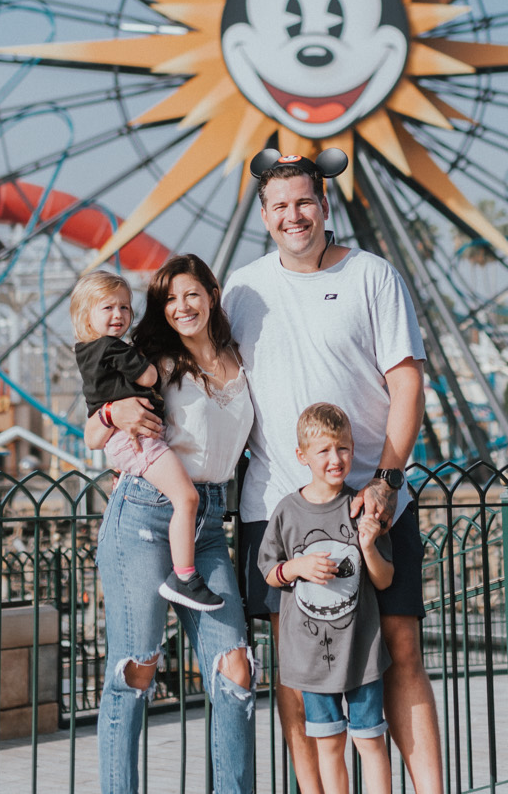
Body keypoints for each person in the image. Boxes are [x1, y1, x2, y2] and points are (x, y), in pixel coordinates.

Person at [223, 154, 444, 794]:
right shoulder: (242, 289)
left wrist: (387, 479)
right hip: (279, 504)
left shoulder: (373, 275)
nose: (293, 216)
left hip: (372, 502)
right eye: (279, 206)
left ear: (324, 204)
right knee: (296, 670)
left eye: (304, 202)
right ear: (264, 216)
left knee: (401, 651)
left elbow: (407, 384)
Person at [86, 254, 256, 794]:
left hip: (207, 522)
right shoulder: (152, 358)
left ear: (212, 294)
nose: (182, 307)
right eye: (170, 300)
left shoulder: (240, 356)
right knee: (138, 668)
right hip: (144, 513)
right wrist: (114, 415)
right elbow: (92, 430)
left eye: (192, 294)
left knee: (236, 670)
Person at [256, 403, 396, 794]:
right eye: (324, 451)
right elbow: (268, 570)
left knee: (370, 741)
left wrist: (368, 545)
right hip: (310, 659)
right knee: (329, 745)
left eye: (344, 448)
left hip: (361, 652)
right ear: (302, 456)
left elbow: (384, 580)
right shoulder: (286, 511)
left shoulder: (364, 506)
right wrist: (297, 567)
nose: (335, 459)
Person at [70, 270, 222, 611]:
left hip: (128, 442)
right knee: (186, 497)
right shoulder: (112, 348)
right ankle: (184, 577)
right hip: (136, 440)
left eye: (125, 308)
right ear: (86, 314)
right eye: (108, 308)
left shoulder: (87, 351)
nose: (119, 315)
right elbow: (149, 376)